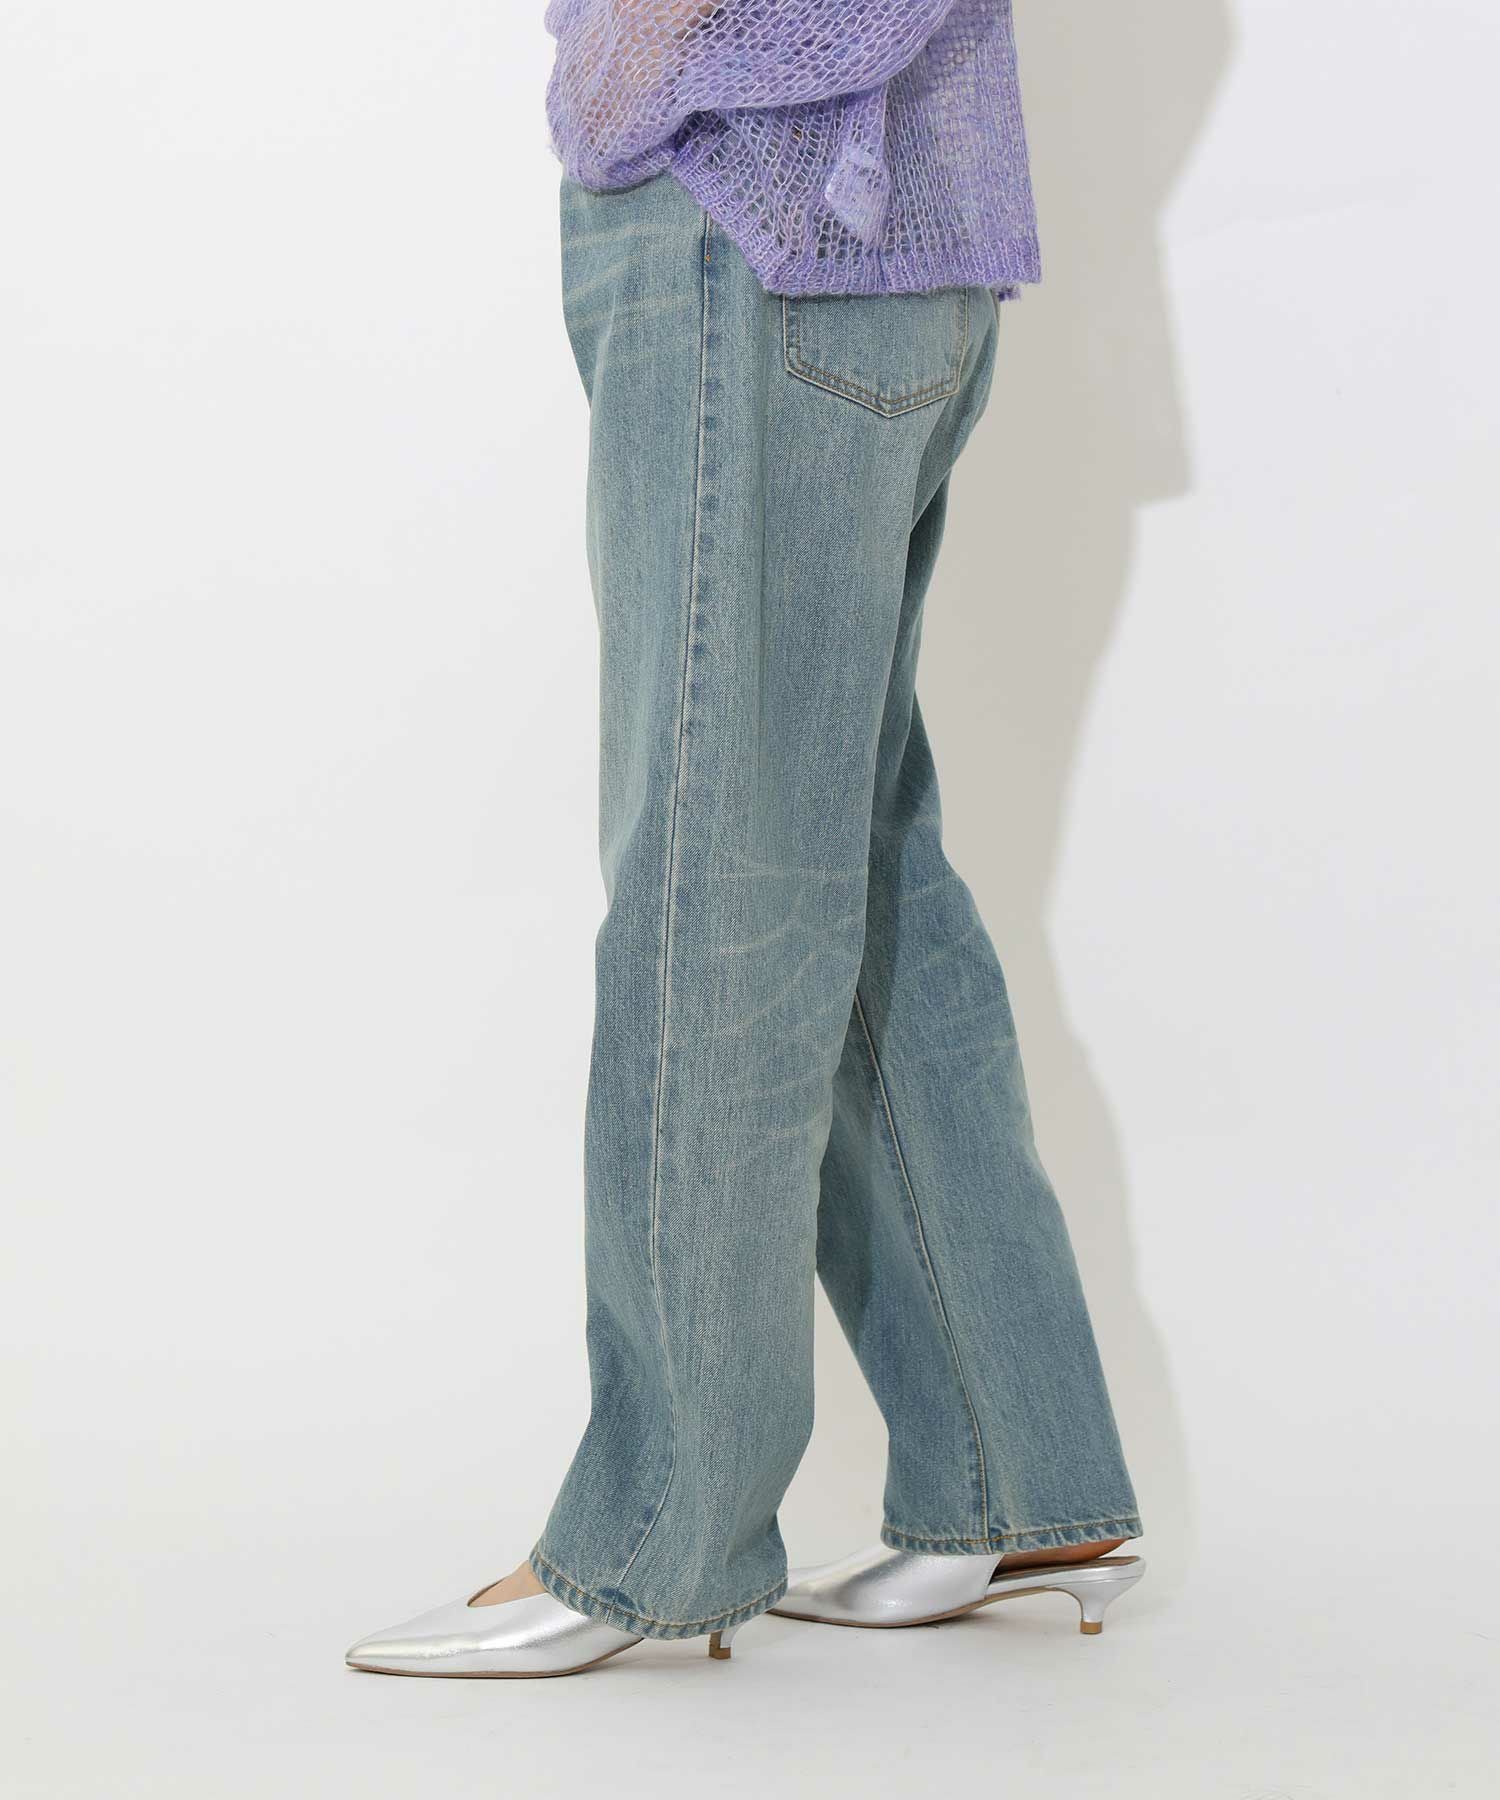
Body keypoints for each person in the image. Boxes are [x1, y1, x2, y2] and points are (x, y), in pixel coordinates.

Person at [347, 0, 1143, 1680]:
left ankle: (657, 1535)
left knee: (716, 878)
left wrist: (648, 44)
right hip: (876, 250)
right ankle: (1015, 1472)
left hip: (761, 238)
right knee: (852, 869)